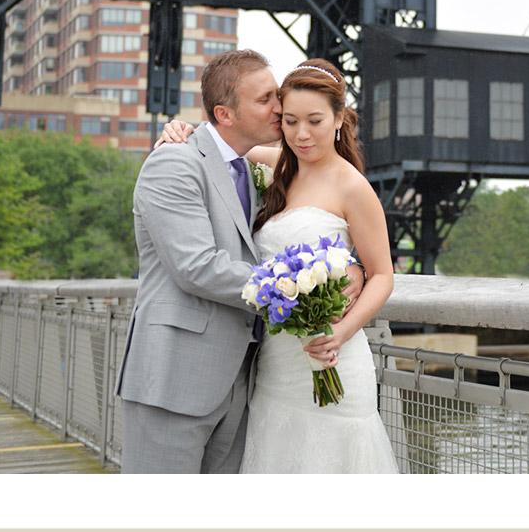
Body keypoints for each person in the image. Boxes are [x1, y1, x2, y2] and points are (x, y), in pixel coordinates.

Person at [116, 49, 364, 473]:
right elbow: (196, 266)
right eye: (266, 98)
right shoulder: (174, 163)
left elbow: (311, 221)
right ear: (224, 114)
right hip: (176, 376)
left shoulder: (255, 171)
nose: (280, 107)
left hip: (245, 381)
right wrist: (299, 292)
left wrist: (351, 265)